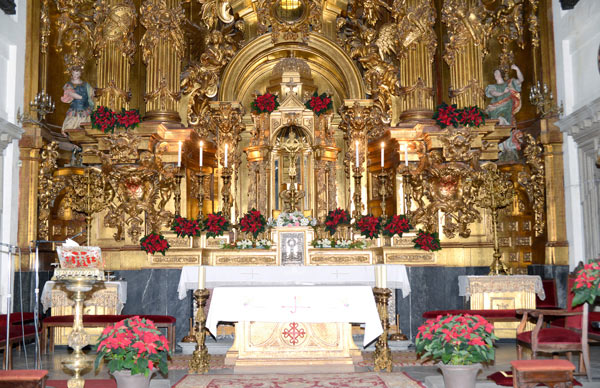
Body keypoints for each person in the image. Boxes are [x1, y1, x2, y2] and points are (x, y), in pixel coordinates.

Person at [61, 66, 94, 134]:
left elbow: (91, 94)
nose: (76, 76)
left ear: (80, 74)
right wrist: (80, 97)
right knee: (70, 127)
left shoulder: (86, 85)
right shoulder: (68, 85)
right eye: (74, 74)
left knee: (85, 128)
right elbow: (70, 93)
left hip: (84, 109)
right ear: (71, 74)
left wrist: (92, 98)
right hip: (74, 110)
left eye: (78, 74)